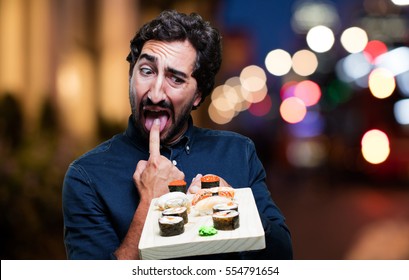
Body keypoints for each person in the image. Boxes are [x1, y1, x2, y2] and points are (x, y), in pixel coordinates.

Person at [62, 10, 293, 260]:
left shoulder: (238, 152)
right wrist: (149, 203)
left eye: (176, 78)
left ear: (197, 96)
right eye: (147, 71)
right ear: (131, 76)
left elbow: (281, 257)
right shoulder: (87, 176)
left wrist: (236, 205)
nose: (155, 94)